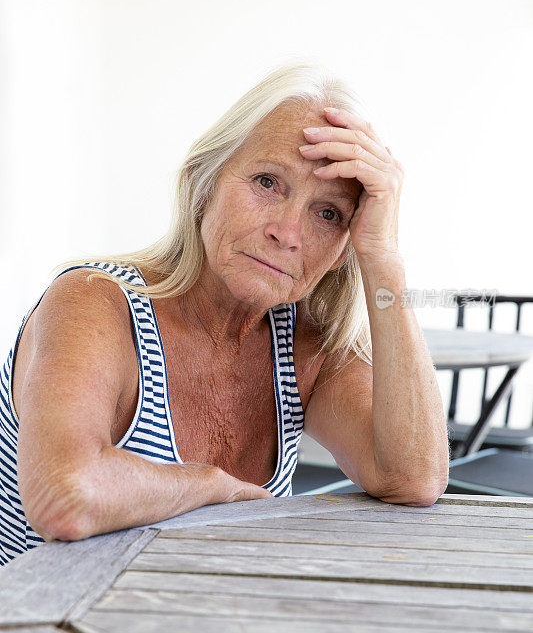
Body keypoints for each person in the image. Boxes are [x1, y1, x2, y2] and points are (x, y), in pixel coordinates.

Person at [0, 61, 450, 566]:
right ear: (203, 181)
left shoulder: (304, 344)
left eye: (328, 213)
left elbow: (413, 478)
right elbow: (65, 497)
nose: (288, 232)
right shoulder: (93, 300)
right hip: (44, 630)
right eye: (266, 182)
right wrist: (210, 484)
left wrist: (384, 256)